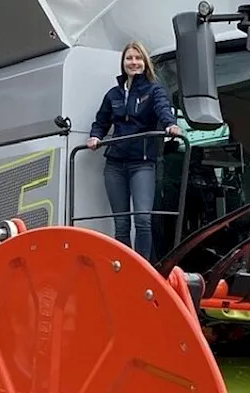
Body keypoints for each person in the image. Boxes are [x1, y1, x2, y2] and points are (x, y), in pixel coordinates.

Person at [88, 40, 183, 262]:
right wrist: (95, 137)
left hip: (142, 162)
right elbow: (101, 121)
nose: (134, 62)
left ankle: (143, 267)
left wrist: (170, 125)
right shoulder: (113, 94)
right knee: (121, 222)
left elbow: (162, 109)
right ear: (123, 63)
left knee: (142, 218)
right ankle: (123, 267)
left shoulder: (153, 89)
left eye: (138, 58)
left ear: (145, 62)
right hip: (115, 163)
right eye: (129, 58)